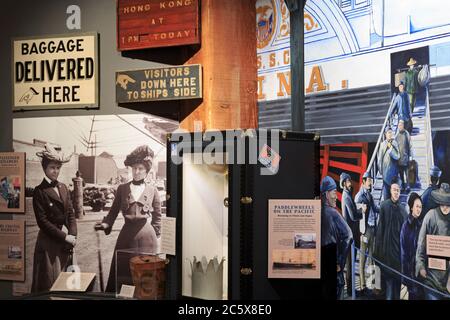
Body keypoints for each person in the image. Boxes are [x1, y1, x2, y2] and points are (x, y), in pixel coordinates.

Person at [95, 145, 161, 293]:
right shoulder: (122, 189)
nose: (136, 172)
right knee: (124, 275)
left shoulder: (153, 190)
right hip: (126, 237)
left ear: (147, 171)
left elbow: (157, 216)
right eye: (134, 168)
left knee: (145, 277)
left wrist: (155, 234)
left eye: (140, 169)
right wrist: (106, 224)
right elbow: (112, 213)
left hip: (147, 240)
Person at [31, 144, 77, 292]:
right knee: (49, 281)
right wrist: (65, 237)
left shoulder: (63, 187)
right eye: (52, 167)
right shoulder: (40, 191)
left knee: (66, 282)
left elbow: (70, 213)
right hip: (48, 243)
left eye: (58, 168)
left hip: (65, 242)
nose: (55, 171)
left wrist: (72, 234)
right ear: (45, 168)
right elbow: (42, 222)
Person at [374, 178, 408, 300]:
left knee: (397, 293)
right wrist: (377, 254)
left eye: (398, 190)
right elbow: (380, 231)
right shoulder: (384, 206)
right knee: (388, 291)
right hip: (387, 256)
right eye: (394, 190)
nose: (396, 192)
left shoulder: (403, 210)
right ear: (390, 190)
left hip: (398, 258)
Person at [320, 176, 353, 300]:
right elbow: (348, 235)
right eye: (334, 192)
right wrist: (339, 261)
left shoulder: (317, 211)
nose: (336, 196)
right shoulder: (333, 213)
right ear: (327, 194)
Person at [416, 183, 450, 300]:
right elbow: (421, 244)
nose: (445, 206)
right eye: (443, 202)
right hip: (431, 278)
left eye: (448, 203)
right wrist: (420, 266)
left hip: (447, 282)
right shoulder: (430, 216)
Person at [340, 172, 364, 296]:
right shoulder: (346, 196)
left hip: (351, 234)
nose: (351, 183)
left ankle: (350, 290)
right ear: (344, 183)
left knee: (351, 262)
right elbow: (353, 216)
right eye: (348, 181)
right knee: (350, 264)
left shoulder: (347, 194)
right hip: (350, 235)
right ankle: (350, 291)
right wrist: (362, 211)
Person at [355, 172, 379, 294]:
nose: (371, 182)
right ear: (363, 182)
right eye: (369, 180)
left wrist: (383, 208)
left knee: (372, 257)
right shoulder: (359, 196)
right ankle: (363, 285)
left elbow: (375, 208)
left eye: (371, 180)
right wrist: (360, 232)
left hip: (372, 228)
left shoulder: (369, 195)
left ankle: (373, 284)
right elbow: (357, 215)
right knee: (363, 258)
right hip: (365, 231)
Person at [400, 193, 424, 300]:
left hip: (419, 274)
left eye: (420, 207)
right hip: (411, 275)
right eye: (417, 206)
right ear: (411, 207)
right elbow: (404, 254)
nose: (419, 209)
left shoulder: (421, 225)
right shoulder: (406, 226)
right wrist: (407, 278)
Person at [378, 126, 400, 201]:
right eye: (389, 133)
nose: (390, 134)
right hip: (385, 175)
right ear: (385, 134)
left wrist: (391, 149)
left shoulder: (395, 143)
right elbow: (379, 159)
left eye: (391, 132)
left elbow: (397, 156)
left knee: (393, 195)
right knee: (386, 195)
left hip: (393, 174)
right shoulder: (382, 144)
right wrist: (381, 172)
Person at [395, 120, 413, 192]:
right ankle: (402, 185)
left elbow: (410, 145)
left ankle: (408, 186)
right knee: (401, 174)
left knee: (407, 173)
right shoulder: (397, 135)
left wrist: (411, 155)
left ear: (403, 126)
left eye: (401, 125)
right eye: (399, 125)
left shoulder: (406, 134)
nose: (400, 126)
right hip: (399, 159)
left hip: (406, 157)